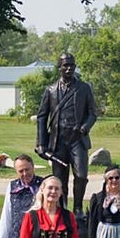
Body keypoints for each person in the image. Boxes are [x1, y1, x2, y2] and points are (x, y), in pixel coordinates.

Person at [35, 52, 98, 217]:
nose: (69, 68)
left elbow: (93, 113)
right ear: (59, 68)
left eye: (72, 65)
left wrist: (86, 126)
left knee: (81, 176)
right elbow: (42, 117)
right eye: (65, 65)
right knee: (59, 180)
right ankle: (61, 209)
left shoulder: (84, 88)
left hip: (78, 140)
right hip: (59, 141)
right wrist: (41, 143)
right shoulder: (50, 90)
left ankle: (77, 208)